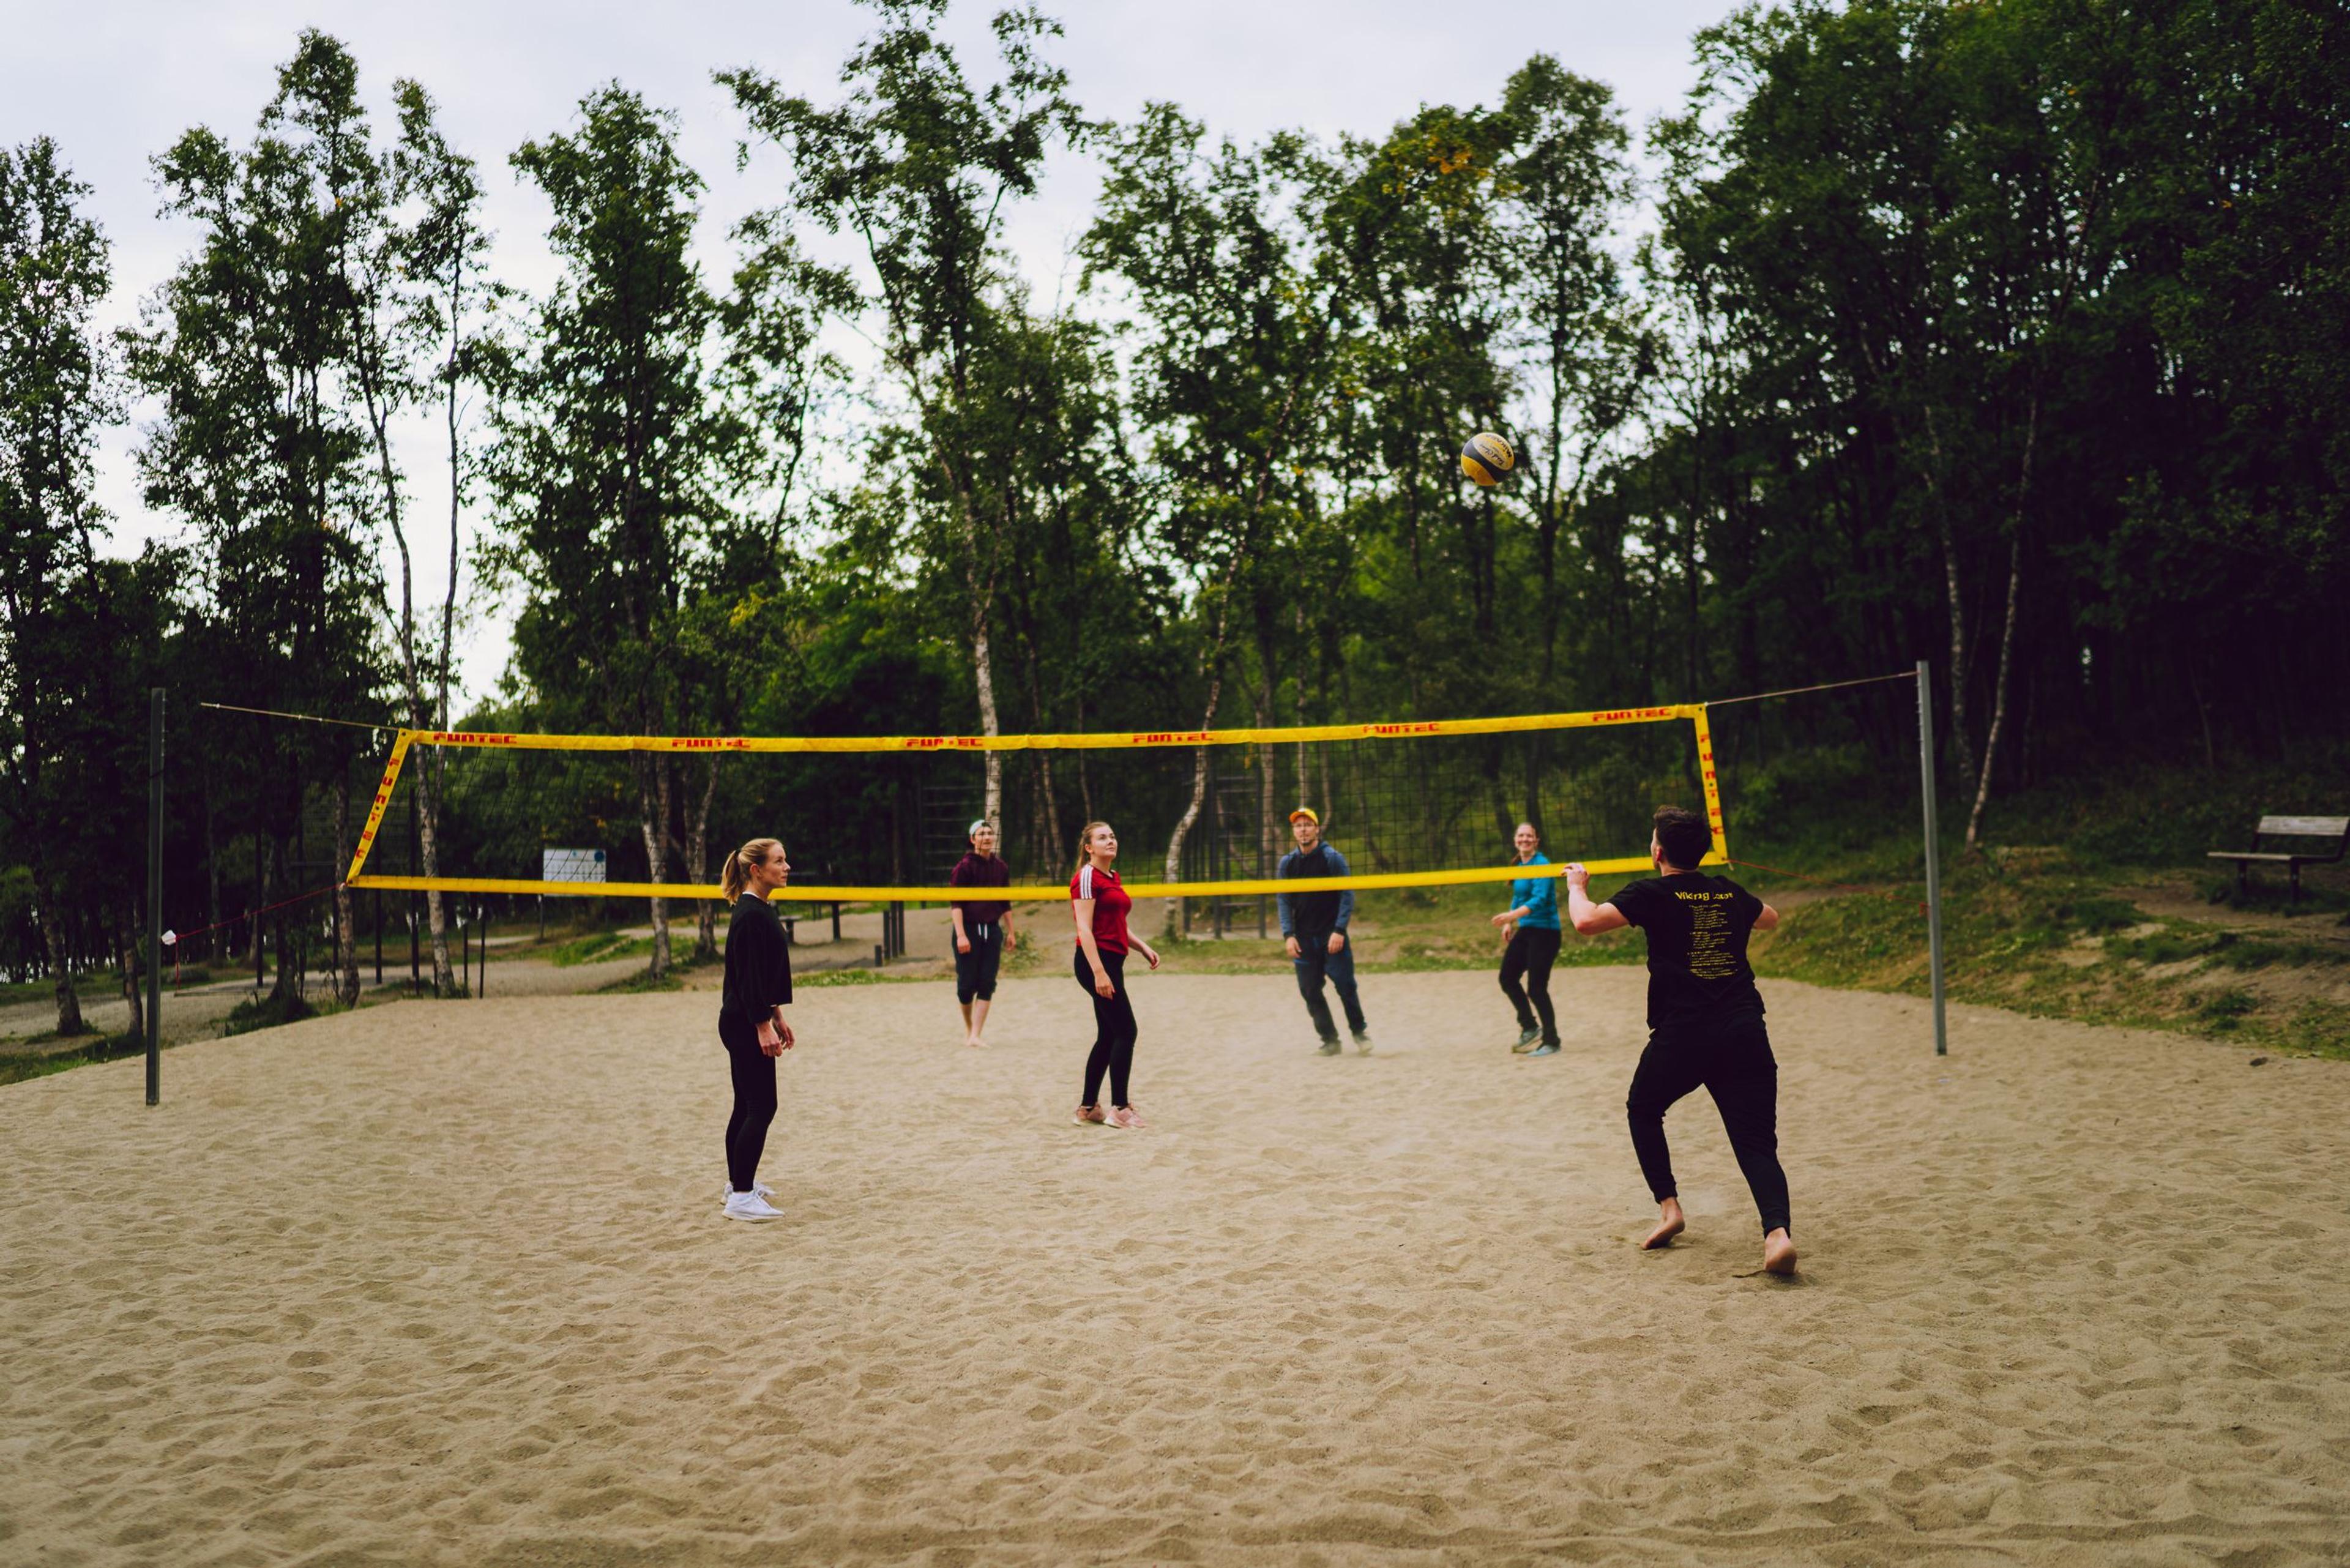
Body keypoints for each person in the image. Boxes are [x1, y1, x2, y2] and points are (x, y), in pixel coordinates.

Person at [1565, 804, 1797, 1277]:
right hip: (1744, 1028)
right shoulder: (1727, 892)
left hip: (1686, 1033)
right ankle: (1777, 1236)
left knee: (1643, 1108)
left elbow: (1586, 923)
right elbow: (1770, 919)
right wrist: (1730, 903)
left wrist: (1576, 886)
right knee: (1756, 1142)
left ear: (1657, 852)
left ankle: (1670, 1208)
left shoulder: (1652, 892)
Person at [717, 836, 796, 1222]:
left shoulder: (759, 908)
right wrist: (763, 1026)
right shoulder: (749, 914)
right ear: (756, 870)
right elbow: (747, 980)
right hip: (744, 1022)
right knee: (763, 1106)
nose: (786, 867)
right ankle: (742, 1197)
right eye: (779, 861)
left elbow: (763, 976)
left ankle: (737, 1183)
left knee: (746, 1105)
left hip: (746, 1017)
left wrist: (777, 1015)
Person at [1069, 819, 1160, 1130]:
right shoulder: (1086, 876)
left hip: (1111, 961)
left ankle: (1088, 1107)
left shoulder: (1112, 876)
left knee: (1109, 1035)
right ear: (1088, 847)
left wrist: (1143, 947)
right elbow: (1084, 928)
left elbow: (1117, 925)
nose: (1110, 841)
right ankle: (1120, 1109)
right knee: (1127, 1031)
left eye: (1112, 836)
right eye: (1102, 837)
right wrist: (1099, 973)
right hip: (1095, 962)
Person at [1277, 806, 1370, 1055]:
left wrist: (1339, 930)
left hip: (1332, 935)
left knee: (1345, 986)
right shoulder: (1288, 863)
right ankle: (1330, 1041)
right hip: (1304, 938)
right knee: (1309, 990)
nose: (1303, 829)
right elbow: (1284, 901)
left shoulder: (1332, 858)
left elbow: (1347, 895)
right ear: (1294, 831)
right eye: (1298, 825)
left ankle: (1360, 1033)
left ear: (1317, 829)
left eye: (1308, 824)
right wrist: (1288, 935)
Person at [1488, 821, 1562, 1056]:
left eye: (1529, 836)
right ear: (1515, 840)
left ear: (1536, 841)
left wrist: (1512, 916)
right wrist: (1510, 922)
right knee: (1507, 978)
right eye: (1521, 836)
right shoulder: (1519, 865)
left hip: (1546, 932)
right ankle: (1530, 1027)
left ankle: (1552, 1041)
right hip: (1528, 931)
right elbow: (1519, 897)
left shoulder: (1543, 865)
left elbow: (1539, 900)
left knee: (1537, 988)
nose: (1525, 839)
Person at [949, 818, 1016, 1047]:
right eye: (981, 833)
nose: (987, 836)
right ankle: (970, 1029)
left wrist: (1011, 932)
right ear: (973, 839)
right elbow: (956, 905)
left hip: (992, 930)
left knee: (987, 983)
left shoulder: (1001, 867)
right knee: (966, 986)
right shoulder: (964, 867)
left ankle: (976, 1034)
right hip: (968, 930)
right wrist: (961, 935)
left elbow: (1005, 903)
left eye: (990, 833)